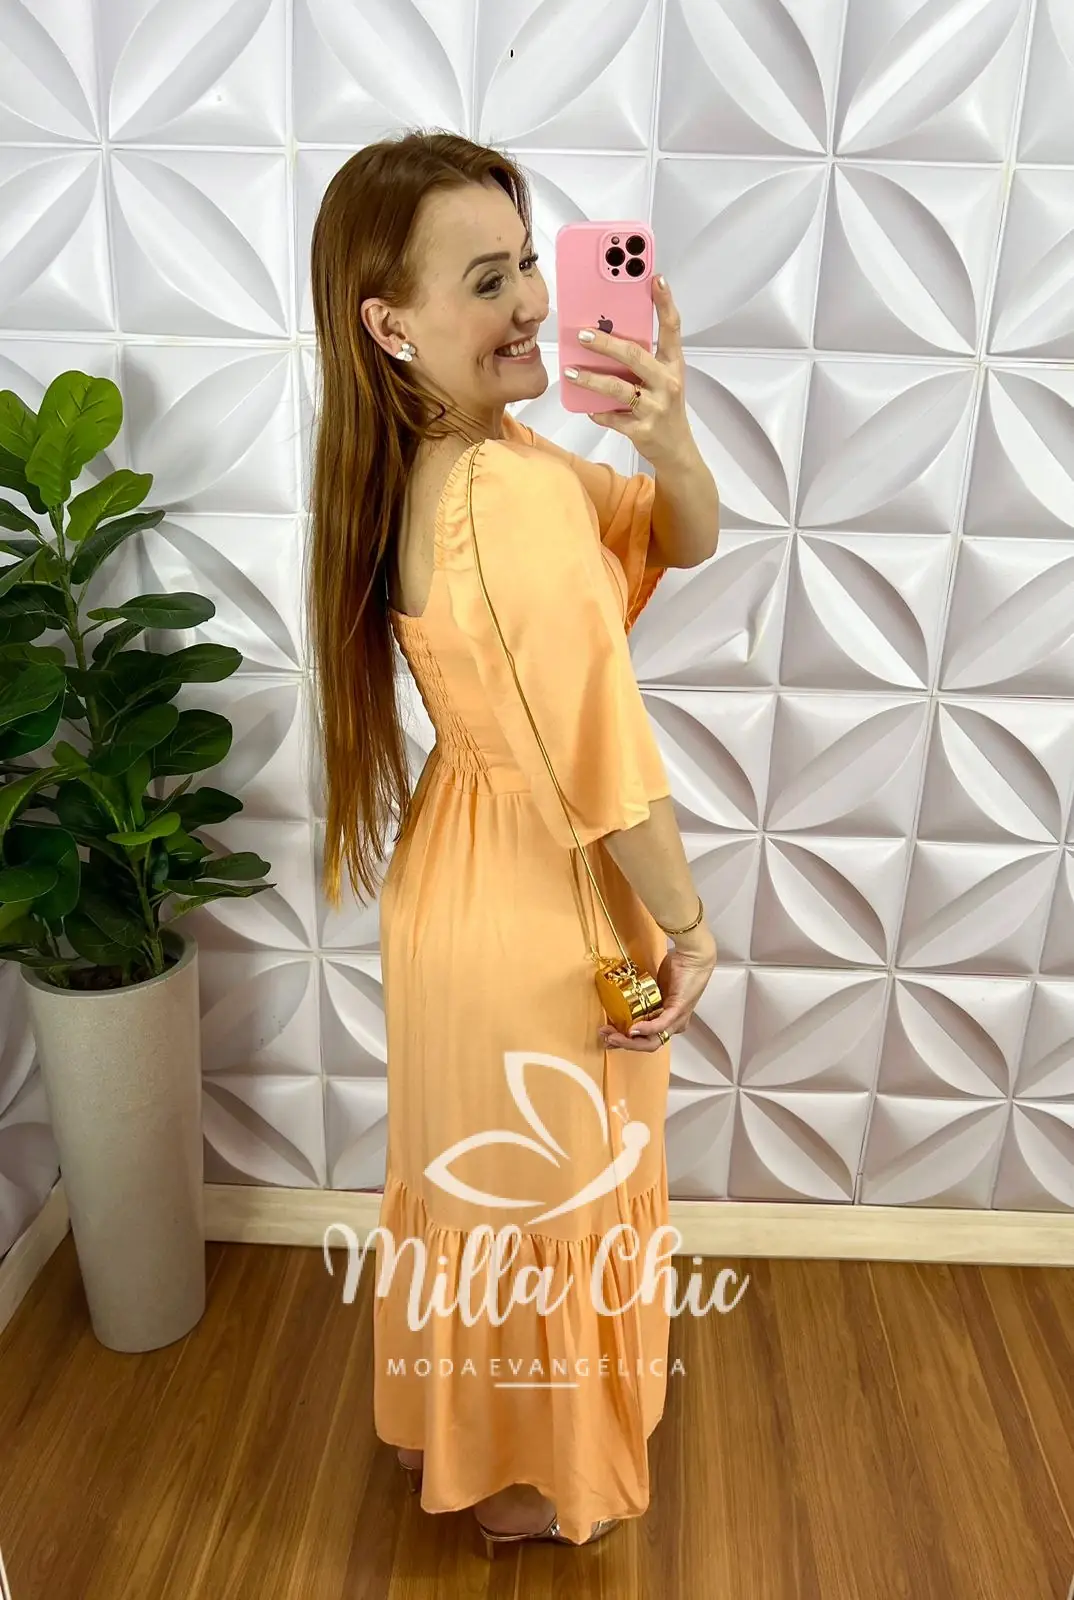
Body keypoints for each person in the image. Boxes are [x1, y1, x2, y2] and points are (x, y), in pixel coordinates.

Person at [306, 128, 720, 1556]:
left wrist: (664, 430)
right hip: (543, 905)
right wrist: (688, 929)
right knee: (554, 1196)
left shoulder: (462, 460)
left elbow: (677, 536)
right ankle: (537, 1479)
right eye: (486, 280)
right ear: (391, 325)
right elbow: (602, 761)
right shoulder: (511, 494)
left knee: (482, 1186)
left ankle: (470, 1440)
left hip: (455, 880)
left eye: (529, 262)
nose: (537, 301)